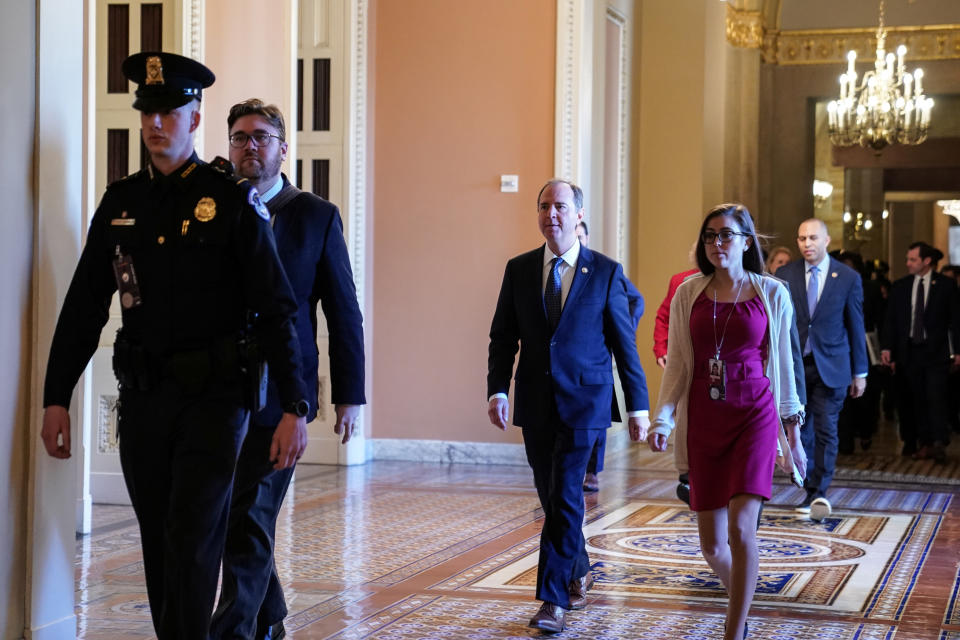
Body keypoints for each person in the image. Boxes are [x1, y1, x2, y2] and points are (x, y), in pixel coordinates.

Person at [40, 53, 310, 640]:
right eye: (148, 113)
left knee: (193, 542)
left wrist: (296, 406)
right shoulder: (121, 204)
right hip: (145, 403)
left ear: (193, 117)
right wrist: (55, 396)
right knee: (161, 546)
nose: (157, 123)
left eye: (170, 112)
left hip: (215, 404)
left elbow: (276, 308)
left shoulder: (230, 201)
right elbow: (85, 306)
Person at [209, 99, 366, 640]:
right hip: (220, 390)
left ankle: (234, 630)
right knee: (232, 509)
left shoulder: (315, 216)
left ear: (281, 148)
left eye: (260, 136)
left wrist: (349, 395)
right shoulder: (215, 208)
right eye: (238, 137)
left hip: (284, 395)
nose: (248, 146)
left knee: (252, 511)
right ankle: (270, 613)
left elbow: (343, 310)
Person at [487, 179, 650, 633]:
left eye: (560, 206)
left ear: (579, 214)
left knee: (564, 496)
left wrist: (638, 407)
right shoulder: (518, 269)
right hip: (535, 402)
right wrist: (497, 389)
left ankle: (552, 601)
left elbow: (624, 345)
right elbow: (503, 336)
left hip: (586, 402)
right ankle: (577, 567)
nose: (550, 214)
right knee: (552, 497)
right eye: (543, 206)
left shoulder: (605, 271)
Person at [648, 203, 805, 640]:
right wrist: (663, 419)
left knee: (740, 528)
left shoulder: (771, 292)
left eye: (727, 235)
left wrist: (792, 433)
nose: (717, 243)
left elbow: (786, 367)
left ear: (747, 241)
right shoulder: (688, 293)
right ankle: (744, 605)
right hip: (704, 415)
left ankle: (733, 632)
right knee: (713, 545)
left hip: (755, 412)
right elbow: (678, 362)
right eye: (710, 236)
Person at [775, 219, 867, 519]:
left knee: (827, 429)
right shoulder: (785, 274)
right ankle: (809, 485)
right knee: (801, 430)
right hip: (796, 367)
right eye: (801, 238)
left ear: (827, 240)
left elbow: (856, 325)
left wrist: (860, 372)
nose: (806, 243)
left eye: (813, 237)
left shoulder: (848, 277)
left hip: (833, 366)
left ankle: (818, 492)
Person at [575, 220, 644, 493]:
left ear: (588, 238)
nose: (577, 241)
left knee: (598, 415)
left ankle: (592, 471)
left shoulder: (603, 270)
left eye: (581, 236)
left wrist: (620, 330)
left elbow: (636, 299)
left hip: (597, 358)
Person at [881, 242, 960, 462]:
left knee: (936, 397)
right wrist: (887, 348)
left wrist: (958, 351)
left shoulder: (945, 285)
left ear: (926, 261)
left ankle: (938, 442)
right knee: (915, 398)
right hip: (910, 352)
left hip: (936, 352)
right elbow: (892, 321)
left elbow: (955, 320)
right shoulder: (901, 286)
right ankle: (922, 441)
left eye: (912, 259)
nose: (908, 263)